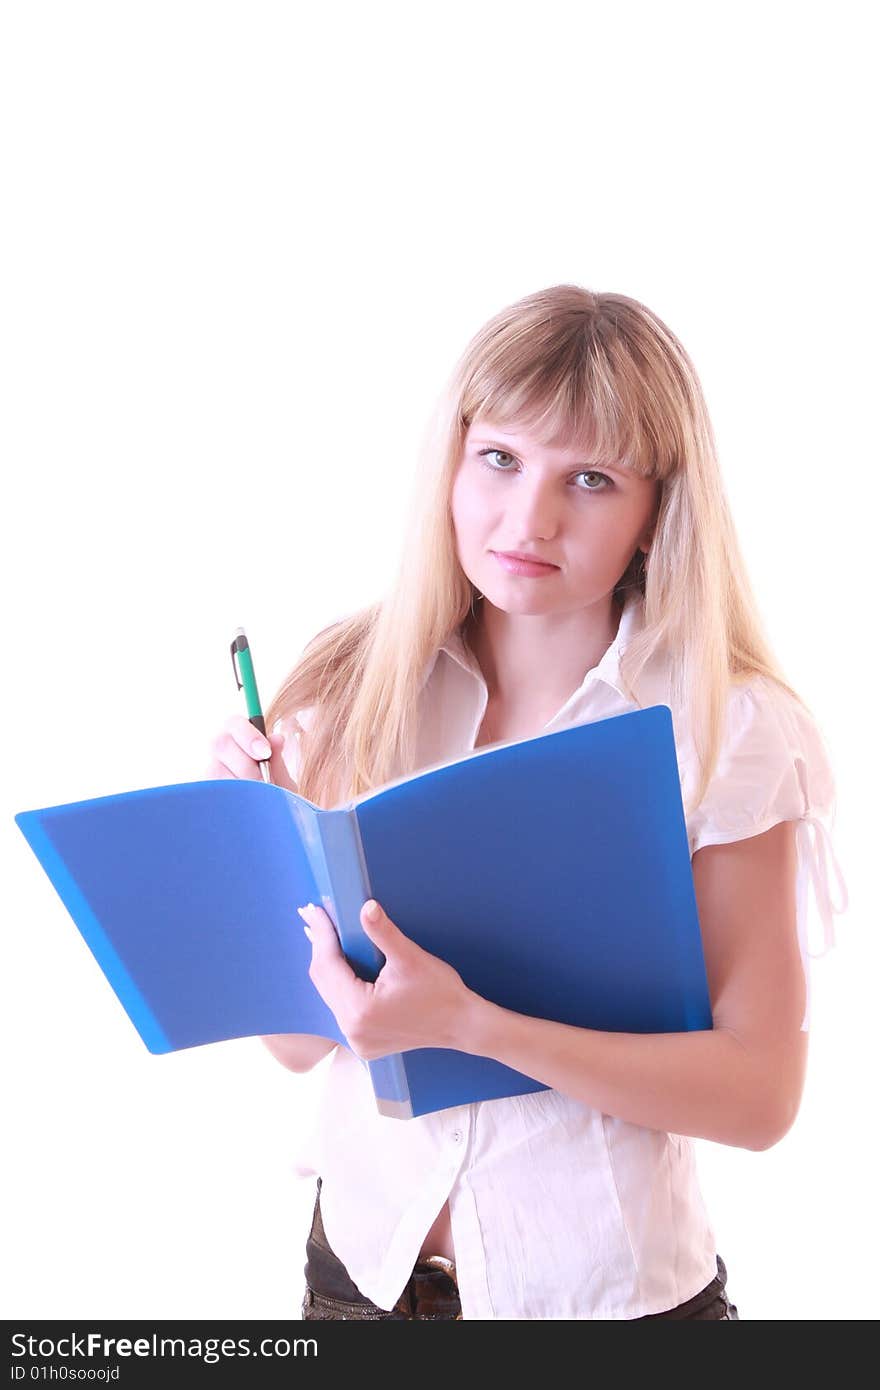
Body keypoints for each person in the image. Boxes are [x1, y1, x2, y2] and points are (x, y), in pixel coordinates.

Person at [206, 285, 848, 1320]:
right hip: (359, 1282)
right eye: (500, 458)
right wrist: (256, 838)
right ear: (452, 462)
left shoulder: (724, 727)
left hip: (603, 1301)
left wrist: (476, 1024)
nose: (529, 519)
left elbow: (758, 1092)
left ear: (655, 511)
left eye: (590, 479)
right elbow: (295, 1046)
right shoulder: (354, 686)